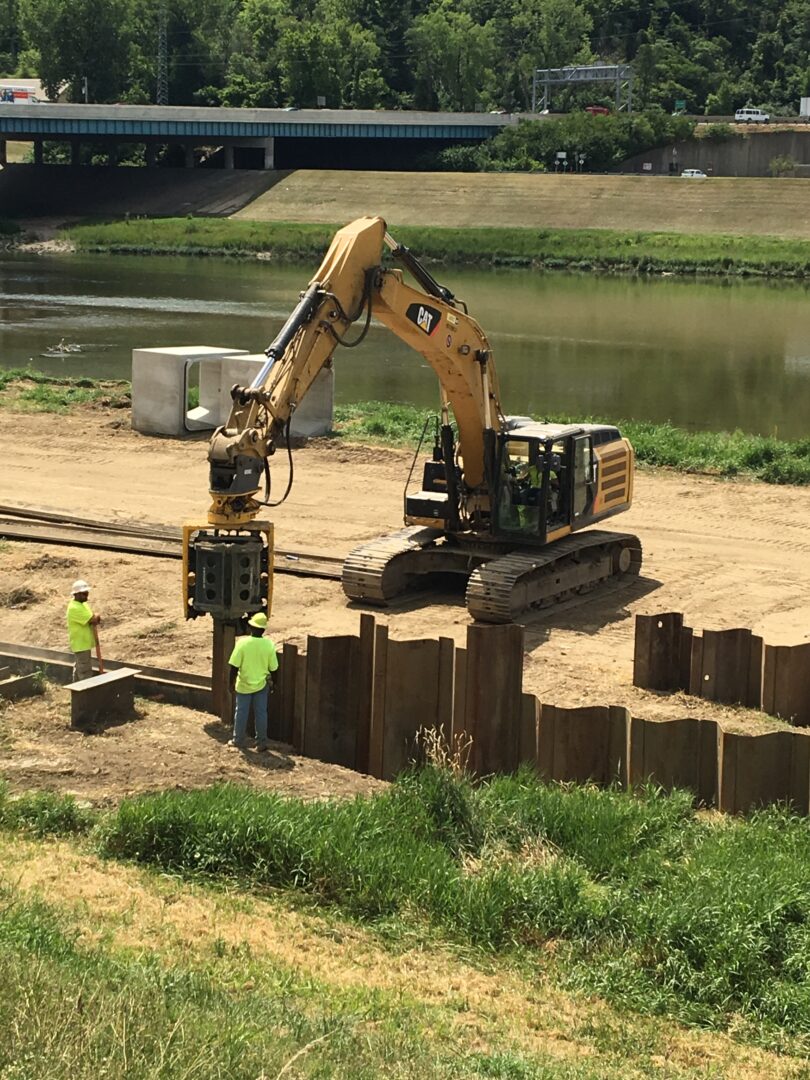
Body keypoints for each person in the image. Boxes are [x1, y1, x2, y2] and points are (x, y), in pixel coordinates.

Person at [227, 612, 279, 751]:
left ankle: (238, 741)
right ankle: (261, 742)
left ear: (251, 627)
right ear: (263, 629)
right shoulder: (269, 645)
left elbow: (234, 666)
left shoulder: (242, 643)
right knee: (261, 713)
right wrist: (275, 683)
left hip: (244, 684)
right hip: (261, 685)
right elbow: (274, 669)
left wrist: (230, 683)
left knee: (241, 712)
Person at [66, 580, 101, 682]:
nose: (87, 595)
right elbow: (93, 619)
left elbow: (92, 617)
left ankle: (76, 691)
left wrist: (95, 617)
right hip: (80, 644)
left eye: (87, 593)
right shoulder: (74, 608)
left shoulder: (83, 604)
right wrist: (96, 617)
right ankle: (85, 694)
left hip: (84, 642)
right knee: (85, 671)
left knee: (79, 669)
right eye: (84, 593)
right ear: (76, 594)